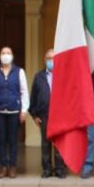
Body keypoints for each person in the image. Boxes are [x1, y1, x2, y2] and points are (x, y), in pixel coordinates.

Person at [0, 46, 28, 179]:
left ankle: (13, 167)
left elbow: (24, 92)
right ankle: (3, 167)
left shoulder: (19, 71)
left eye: (8, 53)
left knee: (13, 140)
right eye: (3, 53)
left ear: (12, 55)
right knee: (1, 140)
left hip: (15, 111)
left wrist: (24, 110)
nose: (6, 55)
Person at [29, 48, 66, 178]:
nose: (51, 61)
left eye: (53, 58)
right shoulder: (39, 77)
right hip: (44, 115)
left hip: (60, 116)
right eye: (49, 58)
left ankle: (60, 169)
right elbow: (33, 98)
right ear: (44, 60)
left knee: (59, 144)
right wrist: (34, 115)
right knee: (45, 143)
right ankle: (47, 169)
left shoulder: (63, 75)